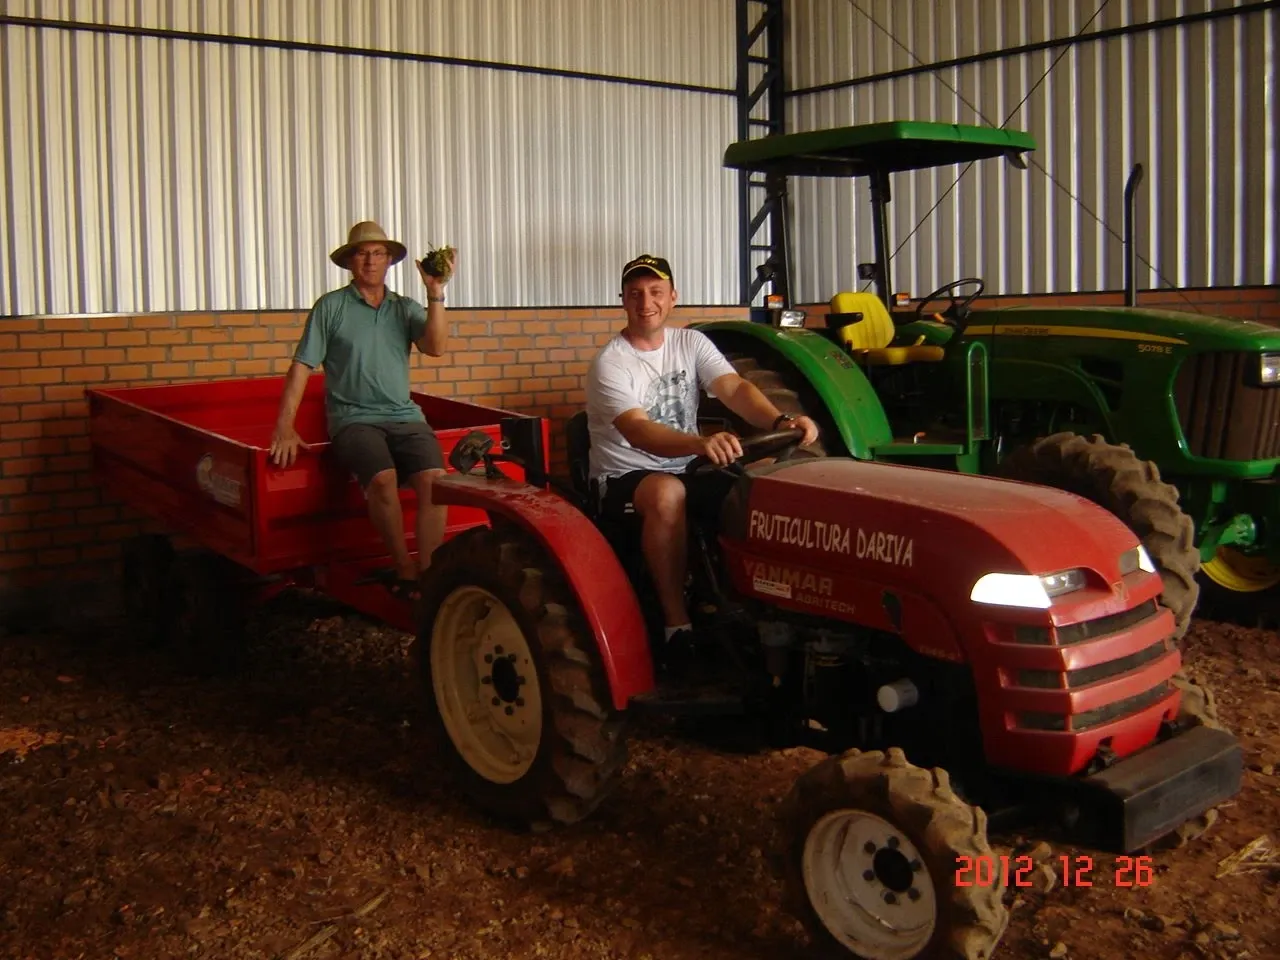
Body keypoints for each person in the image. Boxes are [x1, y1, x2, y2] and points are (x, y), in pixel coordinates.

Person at [585, 254, 819, 661]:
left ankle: (759, 601)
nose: (646, 302)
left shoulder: (690, 342)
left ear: (672, 297)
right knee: (667, 494)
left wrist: (781, 419)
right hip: (626, 472)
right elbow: (639, 432)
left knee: (764, 480)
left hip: (685, 462)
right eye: (635, 293)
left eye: (656, 292)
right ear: (622, 300)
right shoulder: (610, 363)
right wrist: (698, 443)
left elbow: (734, 389)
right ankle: (677, 625)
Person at [268, 220, 457, 601]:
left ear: (389, 260)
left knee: (435, 482)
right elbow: (303, 365)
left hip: (404, 415)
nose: (370, 260)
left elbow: (436, 347)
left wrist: (435, 293)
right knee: (383, 479)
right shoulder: (331, 307)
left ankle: (429, 572)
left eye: (377, 253)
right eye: (362, 253)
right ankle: (404, 569)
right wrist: (284, 426)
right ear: (351, 262)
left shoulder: (404, 308)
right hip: (354, 419)